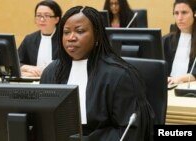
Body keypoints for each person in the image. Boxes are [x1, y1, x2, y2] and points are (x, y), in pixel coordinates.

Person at [40, 6, 154, 141]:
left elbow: (130, 131)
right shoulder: (51, 72)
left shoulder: (120, 76)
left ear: (97, 35)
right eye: (66, 32)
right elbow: (44, 123)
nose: (71, 38)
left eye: (80, 31)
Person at [18, 0, 62, 77]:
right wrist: (28, 68)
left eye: (47, 15)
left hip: (58, 82)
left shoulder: (64, 39)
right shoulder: (29, 39)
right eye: (39, 15)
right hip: (33, 83)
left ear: (56, 19)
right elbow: (16, 62)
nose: (42, 19)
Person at [162, 0, 196, 85]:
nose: (180, 18)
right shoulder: (166, 40)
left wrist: (179, 78)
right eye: (176, 13)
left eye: (184, 12)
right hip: (169, 87)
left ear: (195, 13)